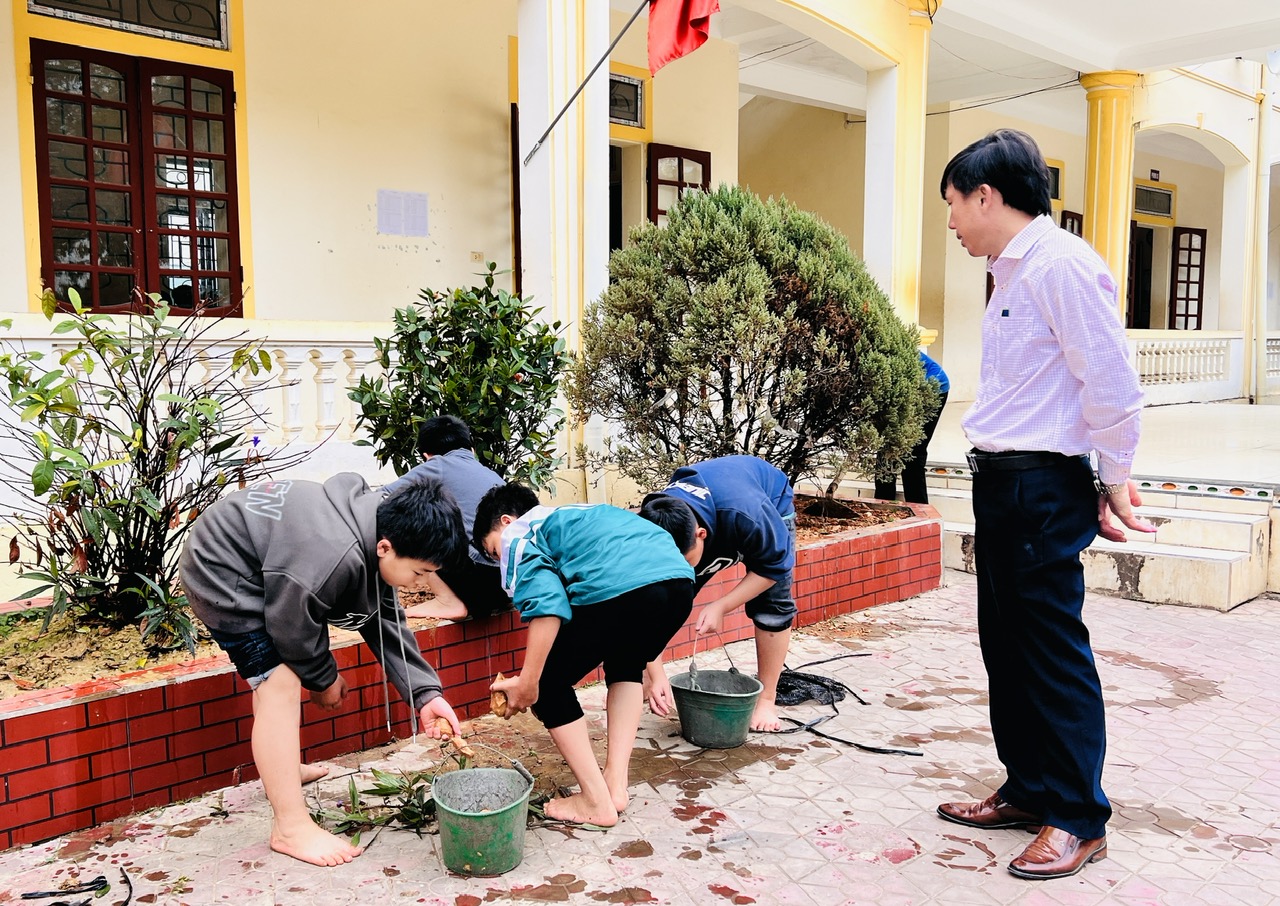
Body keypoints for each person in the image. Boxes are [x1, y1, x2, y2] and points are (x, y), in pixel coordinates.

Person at [935, 128, 1156, 881]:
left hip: (1040, 486)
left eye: (955, 207)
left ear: (987, 196)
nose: (955, 224)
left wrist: (1113, 480)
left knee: (1052, 655)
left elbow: (1113, 387)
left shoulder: (1061, 267)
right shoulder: (1011, 269)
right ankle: (1029, 789)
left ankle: (1076, 815)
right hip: (1003, 481)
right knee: (1008, 648)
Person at [179, 474, 468, 867]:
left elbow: (384, 619)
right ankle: (290, 828)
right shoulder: (332, 556)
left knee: (276, 680)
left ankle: (280, 770)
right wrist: (324, 678)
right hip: (223, 572)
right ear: (385, 547)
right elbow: (291, 628)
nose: (421, 583)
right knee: (279, 681)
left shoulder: (375, 529)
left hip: (267, 566)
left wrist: (426, 695)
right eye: (419, 572)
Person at [474, 483, 694, 828]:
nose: (500, 560)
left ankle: (594, 801)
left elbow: (547, 607)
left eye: (492, 551)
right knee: (626, 667)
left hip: (624, 589)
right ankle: (615, 786)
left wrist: (530, 683)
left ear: (505, 521)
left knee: (548, 688)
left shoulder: (518, 533)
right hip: (680, 583)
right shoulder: (581, 514)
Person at [639, 455, 795, 732]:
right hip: (716, 512)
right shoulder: (654, 524)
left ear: (701, 535)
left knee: (772, 608)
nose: (681, 570)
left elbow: (775, 567)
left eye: (685, 562)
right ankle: (648, 681)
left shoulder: (749, 513)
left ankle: (767, 700)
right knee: (664, 598)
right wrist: (656, 671)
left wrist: (721, 605)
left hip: (768, 505)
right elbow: (648, 608)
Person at [382, 415, 510, 619]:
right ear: (472, 450)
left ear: (426, 456)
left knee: (419, 516)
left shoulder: (438, 465)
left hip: (477, 584)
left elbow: (382, 499)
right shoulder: (493, 475)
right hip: (507, 588)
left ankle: (446, 601)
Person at [875, 350, 949, 504]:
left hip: (933, 388)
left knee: (914, 450)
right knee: (886, 446)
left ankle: (919, 509)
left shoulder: (883, 348)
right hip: (903, 390)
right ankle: (883, 503)